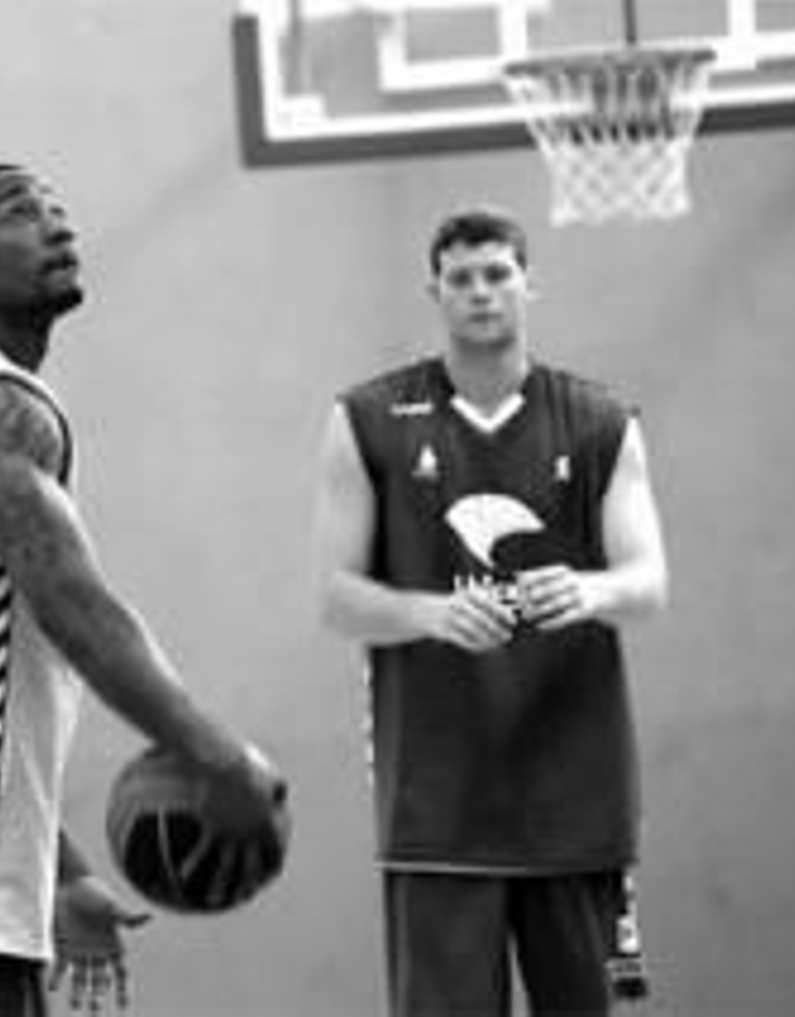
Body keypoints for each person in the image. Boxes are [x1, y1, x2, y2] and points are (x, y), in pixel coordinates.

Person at [0, 163, 291, 1016]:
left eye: (60, 210)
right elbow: (72, 602)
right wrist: (211, 751)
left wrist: (61, 868)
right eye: (19, 211)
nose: (56, 225)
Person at [311, 207, 670, 1016]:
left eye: (497, 273)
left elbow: (647, 581)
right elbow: (336, 597)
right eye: (462, 278)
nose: (480, 292)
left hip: (575, 799)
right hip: (438, 804)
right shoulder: (367, 418)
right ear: (433, 290)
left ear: (528, 282)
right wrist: (433, 614)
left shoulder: (600, 419)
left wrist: (587, 589)